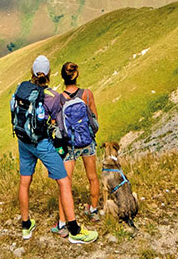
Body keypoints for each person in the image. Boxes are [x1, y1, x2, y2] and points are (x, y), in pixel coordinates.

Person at [12, 55, 97, 244]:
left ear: (32, 73)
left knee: (25, 181)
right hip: (42, 144)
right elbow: (58, 125)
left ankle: (26, 226)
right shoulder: (53, 96)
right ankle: (74, 230)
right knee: (64, 182)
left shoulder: (21, 88)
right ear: (49, 73)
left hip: (24, 141)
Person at [51, 61, 101, 236]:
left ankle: (62, 223)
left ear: (63, 77)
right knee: (93, 177)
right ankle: (93, 211)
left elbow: (56, 124)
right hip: (87, 142)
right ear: (77, 75)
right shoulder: (87, 94)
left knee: (66, 184)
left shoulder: (59, 98)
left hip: (69, 145)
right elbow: (95, 119)